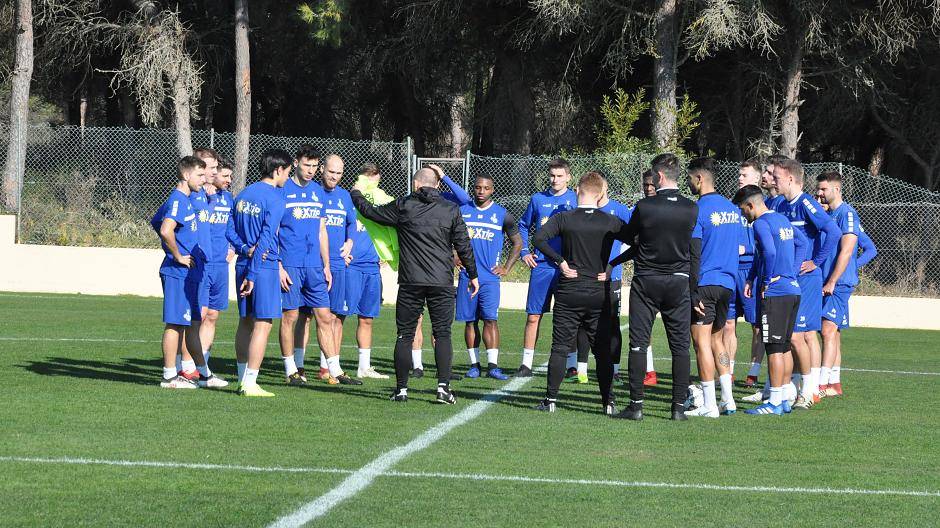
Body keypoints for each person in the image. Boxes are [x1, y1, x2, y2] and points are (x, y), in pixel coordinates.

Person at [350, 167, 479, 404]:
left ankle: (401, 390)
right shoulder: (450, 209)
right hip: (441, 281)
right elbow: (464, 244)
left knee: (405, 335)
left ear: (415, 184)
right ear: (437, 185)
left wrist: (356, 193)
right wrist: (473, 274)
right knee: (442, 333)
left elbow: (370, 212)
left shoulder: (404, 205)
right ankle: (443, 389)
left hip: (411, 280)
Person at [608, 153, 698, 421]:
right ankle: (678, 408)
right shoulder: (691, 208)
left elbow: (629, 236)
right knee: (680, 347)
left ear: (659, 176)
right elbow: (693, 248)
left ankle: (636, 406)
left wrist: (614, 227)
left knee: (638, 344)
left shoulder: (645, 206)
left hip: (647, 280)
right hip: (679, 281)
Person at [532, 171, 627, 414]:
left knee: (560, 347)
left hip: (569, 291)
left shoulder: (564, 218)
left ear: (577, 191)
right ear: (601, 194)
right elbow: (638, 242)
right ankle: (608, 403)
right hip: (598, 292)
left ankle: (550, 400)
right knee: (602, 351)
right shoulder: (610, 221)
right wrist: (612, 265)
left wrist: (560, 262)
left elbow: (539, 238)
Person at [276, 145, 355, 386]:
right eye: (306, 165)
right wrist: (279, 265)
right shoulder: (283, 190)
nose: (310, 170)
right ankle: (291, 369)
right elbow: (274, 230)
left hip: (315, 267)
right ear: (296, 163)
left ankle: (334, 369)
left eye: (313, 166)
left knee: (325, 316)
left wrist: (327, 265)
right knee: (291, 316)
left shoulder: (318, 193)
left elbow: (322, 230)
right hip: (290, 264)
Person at [151, 156, 226, 389]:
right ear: (186, 175)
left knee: (193, 324)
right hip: (178, 272)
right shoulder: (178, 199)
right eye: (200, 175)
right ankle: (169, 377)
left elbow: (156, 221)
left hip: (191, 272)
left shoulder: (185, 200)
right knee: (175, 324)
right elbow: (165, 229)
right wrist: (176, 254)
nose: (204, 180)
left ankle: (204, 375)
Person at [772, 158, 842, 409]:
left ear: (790, 178)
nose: (774, 181)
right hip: (788, 279)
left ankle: (809, 391)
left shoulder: (806, 204)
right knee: (788, 336)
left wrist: (816, 262)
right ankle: (792, 388)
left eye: (777, 177)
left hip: (807, 280)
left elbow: (834, 232)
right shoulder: (781, 205)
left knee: (798, 336)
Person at [732, 185, 807, 415]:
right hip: (792, 290)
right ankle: (783, 398)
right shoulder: (782, 220)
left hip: (775, 293)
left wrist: (766, 281)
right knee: (783, 347)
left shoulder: (760, 224)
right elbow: (802, 244)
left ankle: (773, 402)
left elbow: (770, 252)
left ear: (751, 205)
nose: (743, 214)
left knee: (774, 348)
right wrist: (789, 273)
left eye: (743, 210)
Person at [226, 149, 290, 397]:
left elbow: (229, 229)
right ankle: (250, 382)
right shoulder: (275, 199)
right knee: (263, 324)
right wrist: (253, 274)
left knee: (245, 322)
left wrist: (243, 249)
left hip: (243, 263)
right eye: (287, 172)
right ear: (277, 170)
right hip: (262, 268)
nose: (287, 177)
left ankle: (242, 378)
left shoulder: (244, 194)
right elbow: (266, 239)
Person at [685, 157, 743, 418]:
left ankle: (709, 404)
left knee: (701, 343)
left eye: (689, 178)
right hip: (728, 284)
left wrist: (692, 289)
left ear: (699, 178)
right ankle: (728, 399)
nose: (688, 183)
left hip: (706, 283)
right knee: (718, 340)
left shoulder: (698, 209)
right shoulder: (732, 209)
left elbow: (694, 252)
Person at [815, 171, 877, 397]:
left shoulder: (847, 213)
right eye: (818, 189)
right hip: (825, 281)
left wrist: (840, 274)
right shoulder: (826, 215)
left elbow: (854, 249)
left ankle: (820, 385)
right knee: (833, 333)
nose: (819, 193)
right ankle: (834, 383)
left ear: (837, 189)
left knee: (827, 330)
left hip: (837, 283)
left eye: (823, 189)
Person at [408, 164, 472, 378]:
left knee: (440, 324)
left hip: (439, 270)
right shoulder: (411, 201)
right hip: (417, 269)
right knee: (416, 320)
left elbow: (465, 199)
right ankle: (417, 366)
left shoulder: (444, 201)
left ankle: (442, 369)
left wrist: (444, 177)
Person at [457, 175, 522, 381]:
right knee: (470, 321)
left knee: (490, 320)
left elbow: (518, 242)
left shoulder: (502, 214)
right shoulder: (462, 211)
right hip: (467, 276)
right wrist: (453, 255)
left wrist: (506, 267)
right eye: (478, 187)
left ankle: (493, 366)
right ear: (473, 189)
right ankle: (474, 365)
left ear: (492, 190)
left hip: (490, 279)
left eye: (486, 188)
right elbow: (447, 236)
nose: (481, 191)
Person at [516, 158, 577, 377]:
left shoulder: (575, 199)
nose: (555, 179)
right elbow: (523, 225)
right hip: (541, 266)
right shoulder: (538, 199)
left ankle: (571, 365)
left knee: (568, 318)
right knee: (534, 316)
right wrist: (524, 252)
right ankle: (526, 364)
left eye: (560, 176)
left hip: (567, 268)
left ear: (568, 177)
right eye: (552, 175)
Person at [572, 175, 631, 385]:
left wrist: (613, 263)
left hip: (611, 278)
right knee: (583, 321)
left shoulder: (620, 210)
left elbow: (635, 239)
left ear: (604, 187)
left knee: (612, 323)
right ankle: (581, 371)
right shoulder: (581, 210)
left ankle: (614, 371)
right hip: (586, 277)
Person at [344, 163, 390, 379]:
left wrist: (387, 253)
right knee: (339, 317)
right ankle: (328, 365)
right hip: (351, 266)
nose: (372, 183)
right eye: (368, 178)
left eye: (375, 179)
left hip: (372, 267)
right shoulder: (348, 200)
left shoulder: (381, 201)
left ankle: (364, 367)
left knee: (367, 318)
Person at [724, 160, 763, 388]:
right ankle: (727, 371)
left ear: (757, 178)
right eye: (739, 174)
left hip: (752, 272)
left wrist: (746, 249)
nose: (740, 178)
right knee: (727, 324)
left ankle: (753, 372)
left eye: (744, 175)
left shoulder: (764, 207)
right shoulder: (732, 206)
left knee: (757, 325)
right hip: (731, 271)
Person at [318, 154, 357, 382]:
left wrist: (350, 242)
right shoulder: (314, 193)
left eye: (339, 173)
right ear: (322, 169)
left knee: (337, 316)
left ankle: (328, 368)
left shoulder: (345, 196)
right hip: (315, 264)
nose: (334, 176)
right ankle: (297, 367)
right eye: (331, 172)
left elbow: (352, 223)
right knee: (306, 317)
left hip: (339, 264)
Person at [200, 155, 236, 367]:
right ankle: (185, 364)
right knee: (199, 314)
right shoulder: (200, 196)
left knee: (213, 315)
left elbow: (232, 227)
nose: (229, 180)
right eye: (225, 176)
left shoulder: (228, 198)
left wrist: (233, 248)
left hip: (221, 265)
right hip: (204, 263)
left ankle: (203, 364)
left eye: (230, 176)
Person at [638, 169, 658, 386]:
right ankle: (649, 371)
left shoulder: (673, 208)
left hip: (672, 278)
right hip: (645, 277)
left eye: (652, 184)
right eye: (646, 185)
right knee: (645, 327)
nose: (649, 188)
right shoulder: (640, 208)